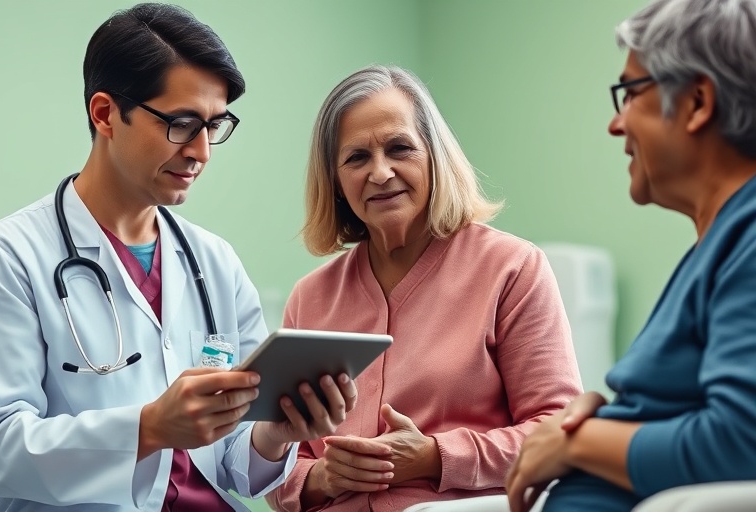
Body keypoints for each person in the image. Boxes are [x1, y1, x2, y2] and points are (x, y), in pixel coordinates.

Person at [0, 4, 357, 511]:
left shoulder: (214, 262)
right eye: (183, 123)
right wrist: (147, 428)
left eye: (214, 125)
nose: (202, 151)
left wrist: (276, 433)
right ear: (105, 114)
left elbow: (235, 461)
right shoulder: (11, 253)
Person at [265, 64, 583, 512]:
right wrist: (324, 478)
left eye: (400, 148)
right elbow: (277, 467)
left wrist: (434, 458)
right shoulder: (310, 296)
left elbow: (560, 434)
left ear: (435, 157)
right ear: (335, 181)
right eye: (357, 158)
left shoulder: (512, 268)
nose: (380, 173)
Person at [505, 0, 756, 511]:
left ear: (697, 102)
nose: (616, 125)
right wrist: (606, 418)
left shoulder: (747, 237)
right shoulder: (720, 242)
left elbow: (740, 442)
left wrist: (577, 442)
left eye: (631, 93)